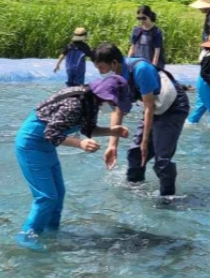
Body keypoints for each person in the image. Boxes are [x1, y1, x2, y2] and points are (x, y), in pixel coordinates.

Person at [14, 74, 130, 248]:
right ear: (104, 95)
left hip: (46, 146)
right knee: (46, 197)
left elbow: (88, 129)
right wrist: (80, 143)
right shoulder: (75, 103)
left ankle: (51, 232)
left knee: (58, 194)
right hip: (31, 145)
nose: (114, 107)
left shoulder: (92, 102)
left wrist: (112, 131)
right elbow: (51, 133)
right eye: (113, 102)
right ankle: (26, 239)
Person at [92, 43, 189, 197]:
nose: (100, 72)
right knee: (135, 153)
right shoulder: (116, 78)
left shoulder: (141, 70)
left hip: (173, 107)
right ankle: (134, 191)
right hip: (155, 107)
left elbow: (149, 107)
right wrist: (112, 146)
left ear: (114, 63)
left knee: (161, 161)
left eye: (101, 68)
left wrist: (145, 141)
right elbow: (118, 110)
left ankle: (168, 200)